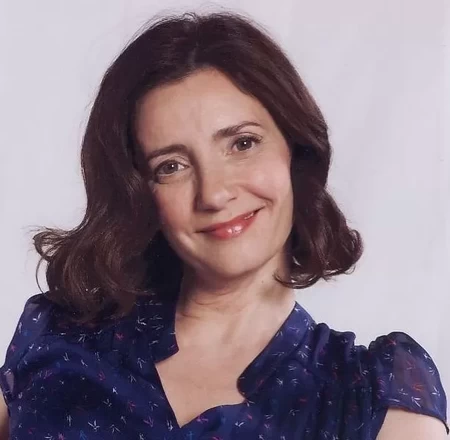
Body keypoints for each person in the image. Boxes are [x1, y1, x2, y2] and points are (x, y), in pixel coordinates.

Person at [0, 10, 447, 440]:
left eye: (242, 143)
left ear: (295, 148)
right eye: (171, 166)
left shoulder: (370, 395)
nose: (213, 193)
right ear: (140, 193)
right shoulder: (59, 337)